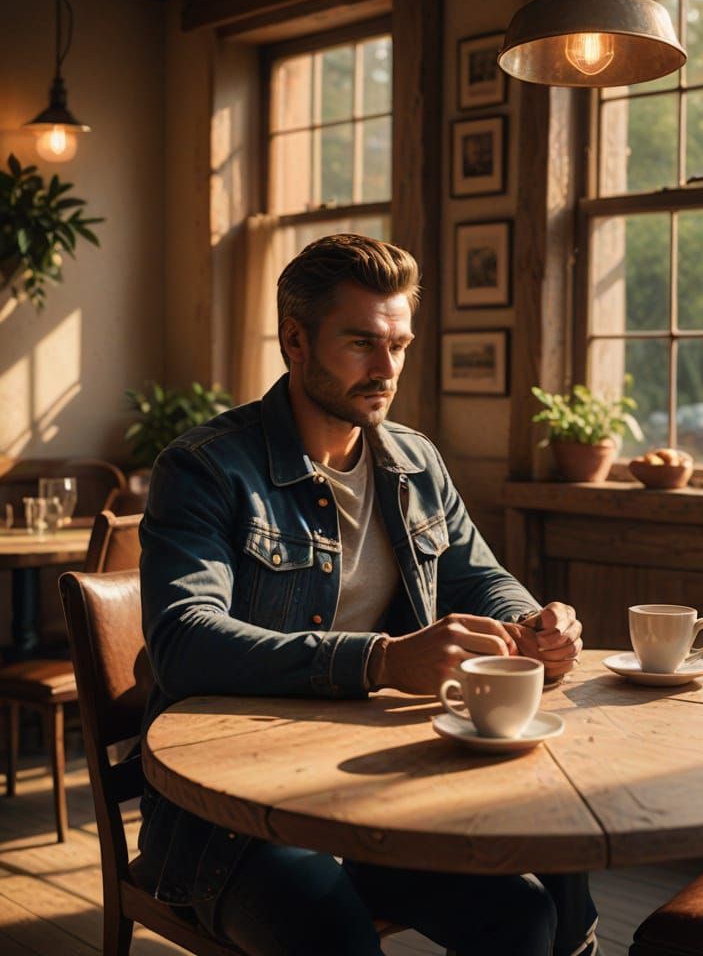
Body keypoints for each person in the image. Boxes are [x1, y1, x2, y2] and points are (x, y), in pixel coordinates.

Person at [136, 233, 598, 956]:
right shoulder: (204, 468)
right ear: (295, 340)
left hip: (393, 791)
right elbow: (182, 642)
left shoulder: (416, 460)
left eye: (399, 345)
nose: (387, 370)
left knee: (533, 909)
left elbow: (477, 575)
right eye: (361, 343)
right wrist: (380, 661)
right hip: (233, 816)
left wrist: (531, 620)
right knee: (331, 936)